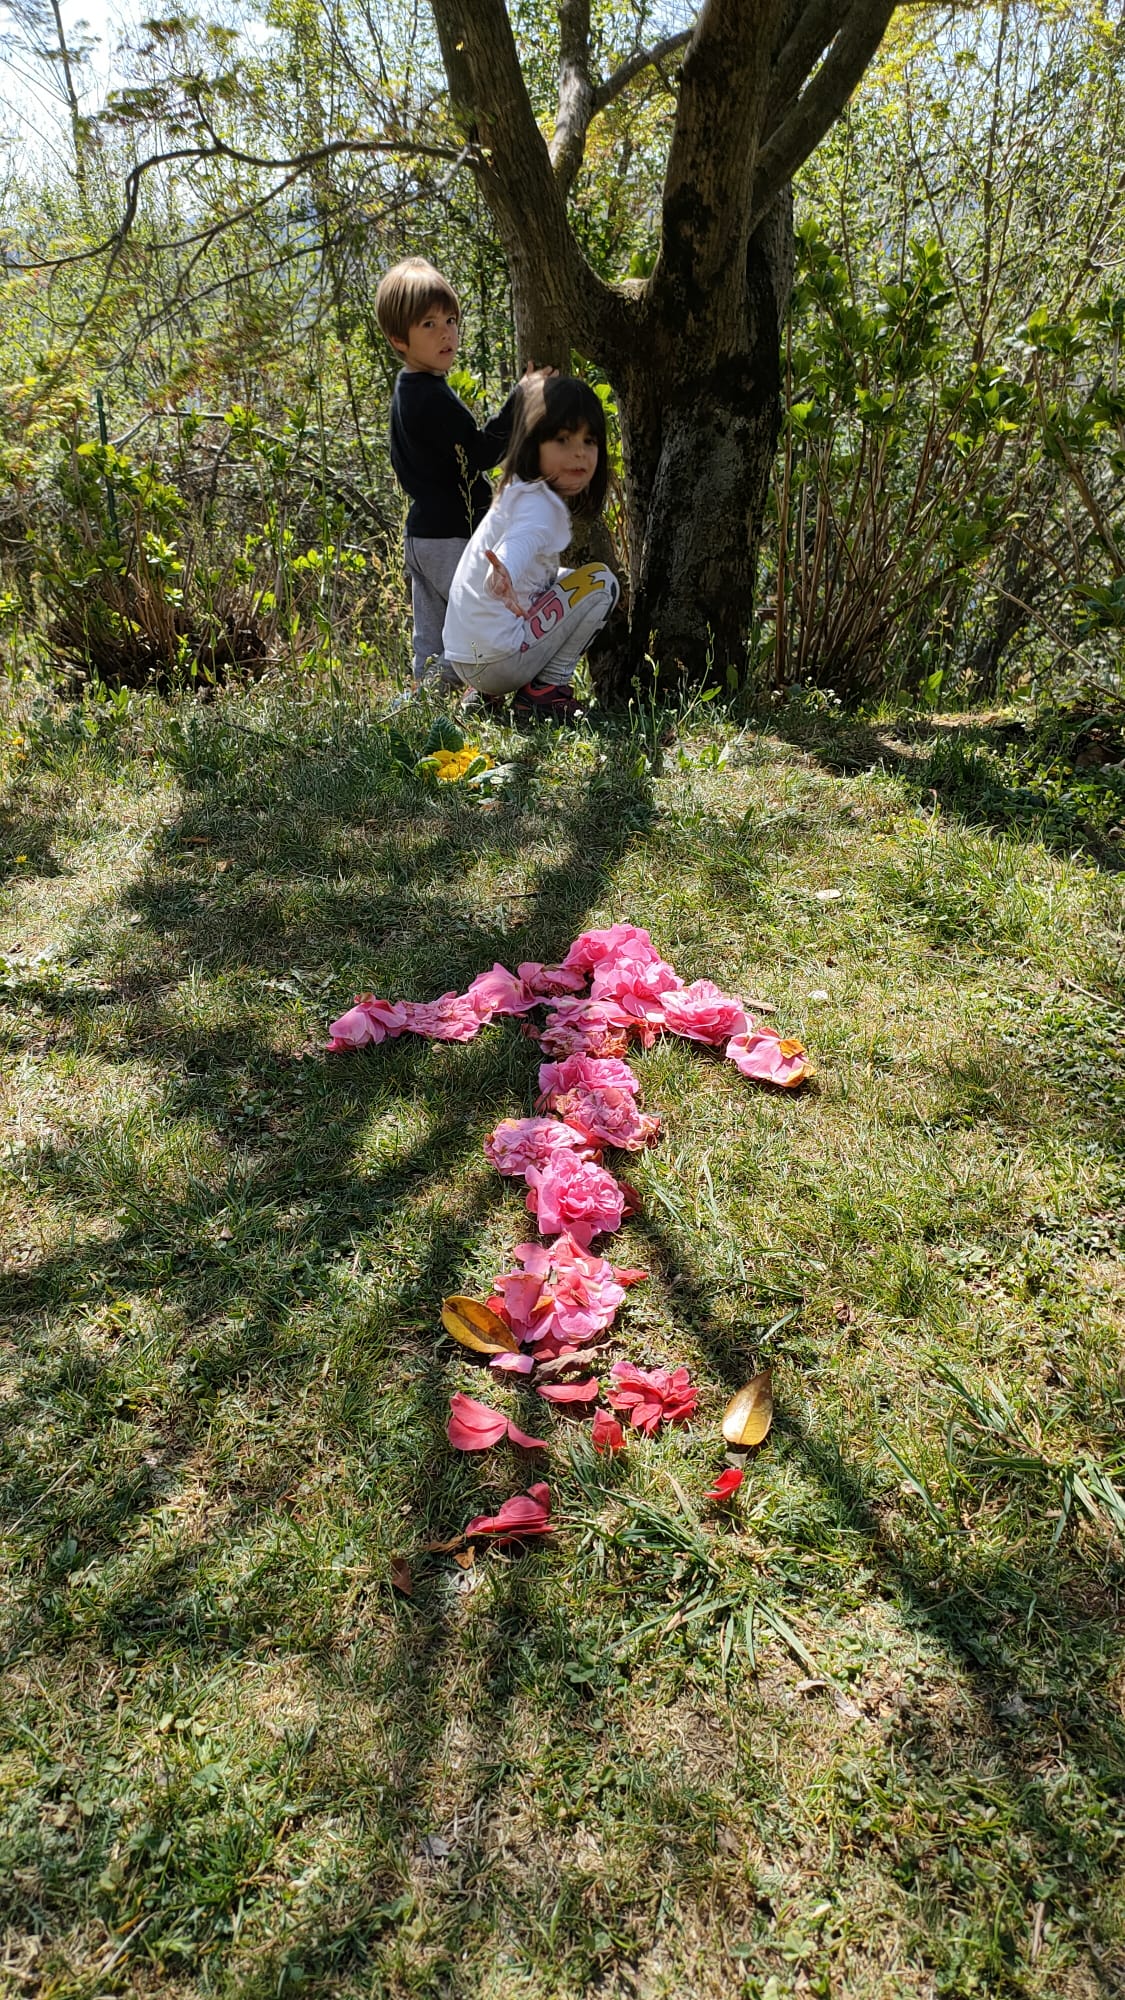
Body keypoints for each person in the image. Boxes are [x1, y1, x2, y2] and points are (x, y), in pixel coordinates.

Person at [374, 256, 526, 690]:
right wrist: (522, 398)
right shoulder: (431, 397)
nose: (446, 332)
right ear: (398, 339)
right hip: (451, 536)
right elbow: (479, 453)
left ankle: (425, 704)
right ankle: (486, 694)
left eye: (451, 319)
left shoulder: (408, 390)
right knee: (474, 625)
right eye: (429, 324)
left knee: (433, 637)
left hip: (422, 535)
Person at [442, 374, 620, 723]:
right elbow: (519, 543)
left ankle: (483, 695)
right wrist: (504, 568)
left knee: (562, 581)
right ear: (533, 445)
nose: (579, 452)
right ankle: (545, 691)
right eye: (563, 440)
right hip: (499, 660)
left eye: (590, 440)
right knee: (601, 583)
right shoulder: (539, 506)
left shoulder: (517, 492)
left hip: (466, 659)